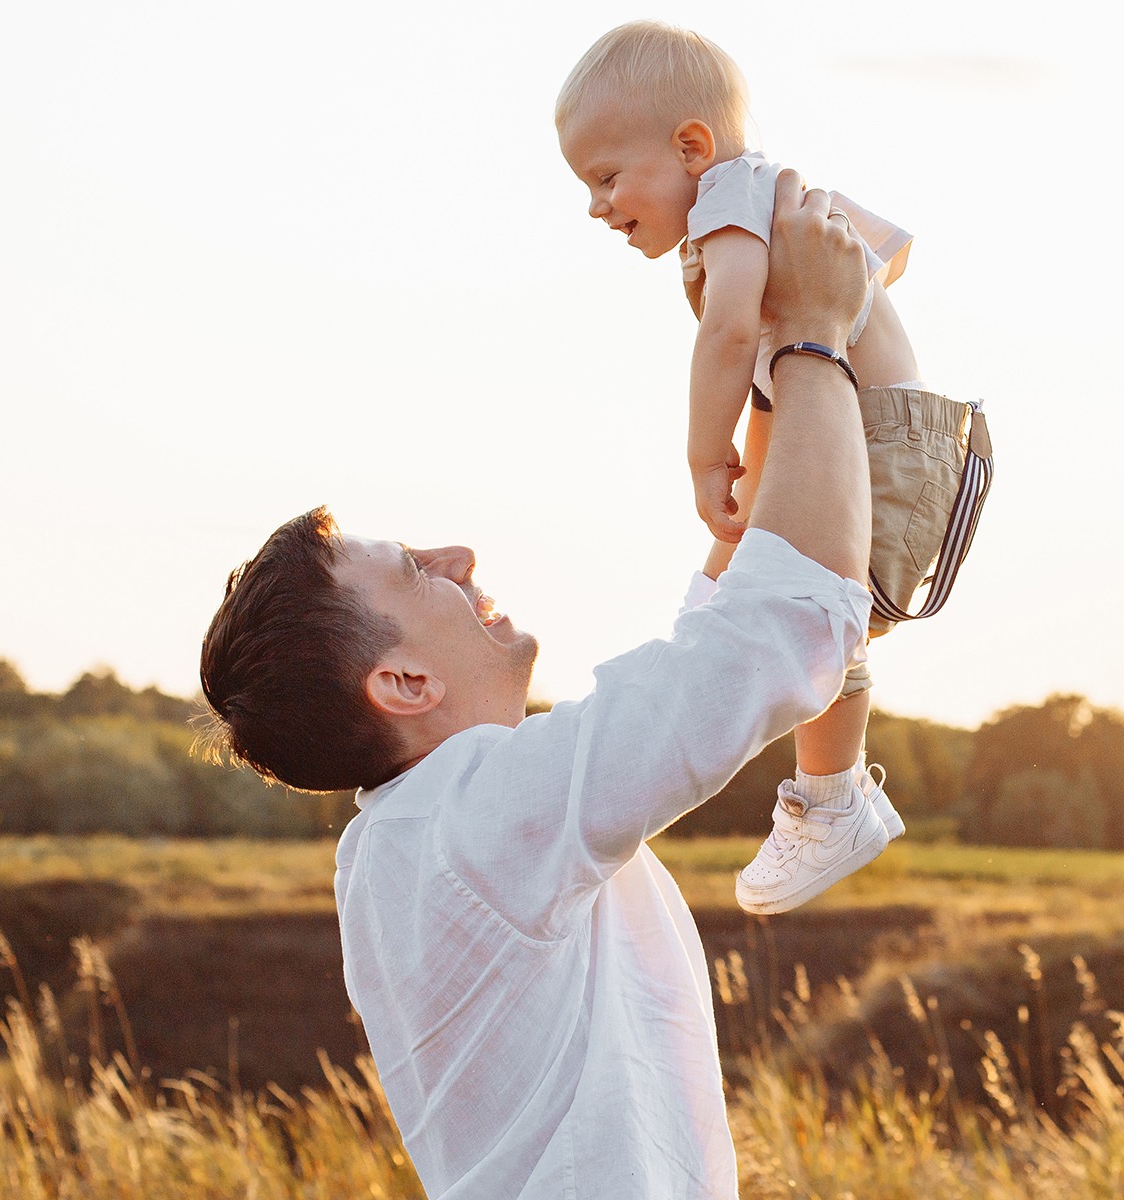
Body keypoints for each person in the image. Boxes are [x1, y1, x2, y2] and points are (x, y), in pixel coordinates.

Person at [200, 173, 878, 1198]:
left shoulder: (425, 834)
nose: (461, 556)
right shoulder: (465, 822)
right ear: (403, 680)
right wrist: (820, 334)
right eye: (415, 569)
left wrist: (770, 369)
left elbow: (722, 634)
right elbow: (771, 639)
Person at [556, 20, 992, 913]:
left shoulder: (728, 205)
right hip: (866, 426)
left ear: (691, 146)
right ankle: (808, 768)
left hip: (871, 441)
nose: (598, 206)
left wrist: (701, 453)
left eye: (608, 177)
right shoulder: (775, 196)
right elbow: (891, 246)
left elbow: (724, 335)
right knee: (789, 606)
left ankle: (833, 800)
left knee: (815, 609)